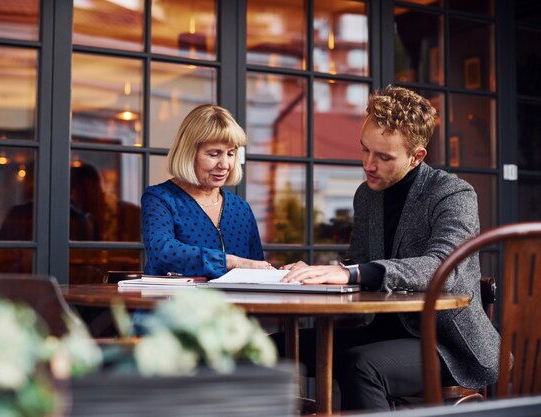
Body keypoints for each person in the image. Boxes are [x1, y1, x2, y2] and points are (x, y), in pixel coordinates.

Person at [279, 86, 500, 411]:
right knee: (280, 346)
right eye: (365, 150)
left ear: (417, 156)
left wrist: (352, 272)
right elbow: (358, 262)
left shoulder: (453, 194)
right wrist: (311, 274)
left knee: (359, 365)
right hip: (382, 329)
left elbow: (443, 268)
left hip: (447, 345)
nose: (368, 164)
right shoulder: (367, 195)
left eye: (383, 157)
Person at [141, 104, 272, 277]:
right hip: (173, 303)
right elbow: (162, 251)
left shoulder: (240, 208)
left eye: (230, 154)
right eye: (214, 154)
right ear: (189, 154)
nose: (225, 165)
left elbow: (256, 269)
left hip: (233, 305)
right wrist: (232, 262)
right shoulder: (160, 198)